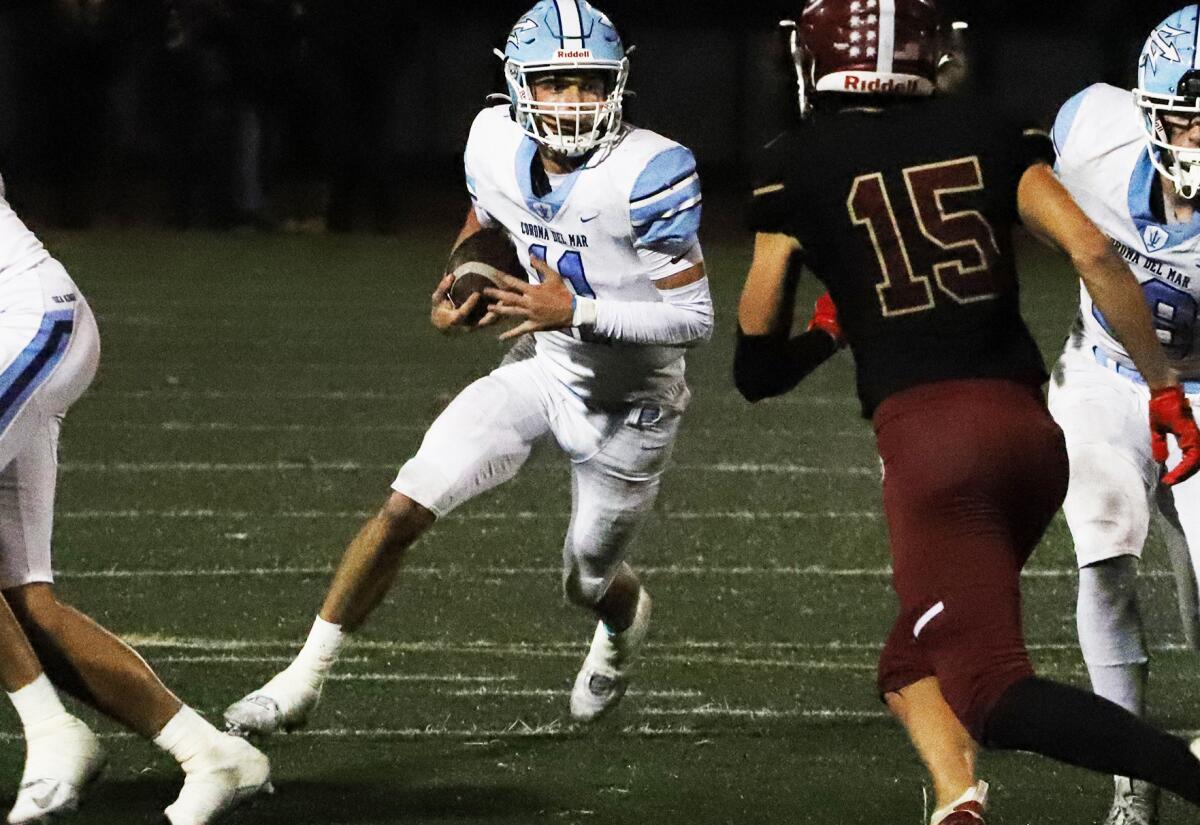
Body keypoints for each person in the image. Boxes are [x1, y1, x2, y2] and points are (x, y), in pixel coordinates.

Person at [734, 2, 1200, 823]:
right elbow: (1092, 250)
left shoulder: (794, 166)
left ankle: (1182, 776)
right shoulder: (995, 128)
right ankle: (958, 800)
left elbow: (753, 367)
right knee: (911, 659)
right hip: (1035, 433)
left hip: (937, 448)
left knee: (990, 689)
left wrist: (824, 334)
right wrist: (1162, 385)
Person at [224, 0, 712, 735]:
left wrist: (575, 310)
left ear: (617, 85)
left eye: (589, 82)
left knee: (586, 576)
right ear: (520, 85)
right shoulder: (492, 139)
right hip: (542, 366)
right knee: (403, 506)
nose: (574, 101)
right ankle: (301, 680)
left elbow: (696, 319)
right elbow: (485, 222)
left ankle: (621, 618)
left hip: (633, 401)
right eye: (555, 83)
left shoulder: (651, 169)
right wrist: (461, 279)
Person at [0, 183, 270, 824]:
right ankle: (209, 754)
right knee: (22, 600)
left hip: (25, 319)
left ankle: (51, 732)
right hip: (25, 323)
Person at [1048, 6, 1200, 823]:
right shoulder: (1091, 132)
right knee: (1103, 558)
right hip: (1104, 377)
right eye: (1189, 120)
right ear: (1150, 111)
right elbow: (1027, 186)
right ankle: (1130, 784)